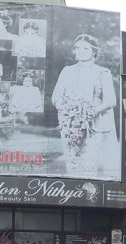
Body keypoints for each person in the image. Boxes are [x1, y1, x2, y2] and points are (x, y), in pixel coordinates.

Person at [52, 33, 118, 178]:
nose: (80, 51)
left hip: (93, 126)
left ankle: (88, 195)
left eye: (86, 48)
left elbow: (111, 100)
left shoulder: (102, 73)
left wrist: (91, 112)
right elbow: (56, 97)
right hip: (70, 125)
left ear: (94, 51)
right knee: (72, 164)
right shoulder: (67, 71)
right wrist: (68, 111)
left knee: (88, 166)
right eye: (77, 47)